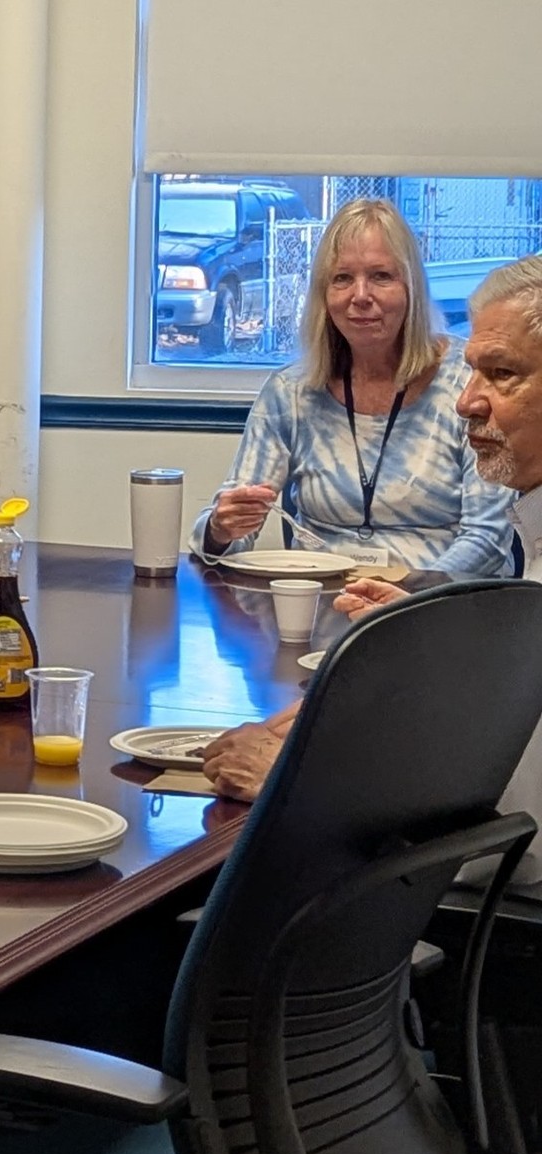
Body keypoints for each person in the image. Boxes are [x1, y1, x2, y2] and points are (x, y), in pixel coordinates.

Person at [202, 254, 542, 886]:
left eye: (502, 374)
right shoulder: (535, 528)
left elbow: (506, 817)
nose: (467, 403)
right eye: (472, 374)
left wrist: (296, 775)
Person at [189, 199, 514, 576]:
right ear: (323, 296)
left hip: (441, 609)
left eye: (381, 276)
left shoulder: (470, 383)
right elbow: (213, 542)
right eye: (342, 278)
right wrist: (220, 528)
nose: (360, 296)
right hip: (323, 603)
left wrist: (404, 598)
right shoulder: (290, 392)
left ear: (411, 287)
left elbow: (487, 540)